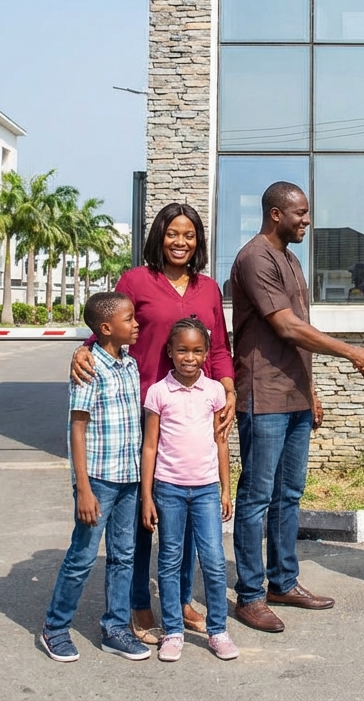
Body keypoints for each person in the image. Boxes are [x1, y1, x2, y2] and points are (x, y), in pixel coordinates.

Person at [70, 203, 234, 643]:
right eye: (172, 233)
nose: (180, 242)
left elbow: (218, 349)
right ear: (158, 236)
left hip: (193, 415)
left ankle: (179, 599)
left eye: (189, 235)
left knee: (183, 508)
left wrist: (229, 391)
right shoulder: (136, 281)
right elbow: (107, 328)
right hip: (142, 410)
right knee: (145, 512)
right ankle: (140, 603)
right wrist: (83, 349)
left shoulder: (208, 289)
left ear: (199, 241)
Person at [231, 180, 364, 633]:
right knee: (257, 497)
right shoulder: (255, 257)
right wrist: (353, 352)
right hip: (264, 397)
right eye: (300, 213)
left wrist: (311, 390)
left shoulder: (291, 260)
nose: (308, 220)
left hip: (294, 397)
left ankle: (282, 582)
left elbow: (301, 335)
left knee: (289, 495)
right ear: (276, 213)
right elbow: (289, 328)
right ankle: (251, 595)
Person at [41, 292, 151, 663]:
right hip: (99, 480)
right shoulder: (90, 368)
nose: (136, 324)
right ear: (106, 328)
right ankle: (55, 627)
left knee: (124, 556)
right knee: (83, 556)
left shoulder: (130, 365)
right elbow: (77, 428)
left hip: (129, 479)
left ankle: (115, 628)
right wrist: (83, 487)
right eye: (129, 319)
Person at [141, 318, 239, 663]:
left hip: (206, 491)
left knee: (213, 560)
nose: (189, 357)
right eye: (182, 350)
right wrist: (148, 495)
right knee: (169, 561)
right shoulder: (158, 393)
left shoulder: (214, 391)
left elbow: (221, 442)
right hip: (168, 489)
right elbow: (150, 447)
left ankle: (218, 630)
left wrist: (225, 490)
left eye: (197, 351)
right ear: (170, 352)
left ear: (206, 354)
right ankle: (173, 632)